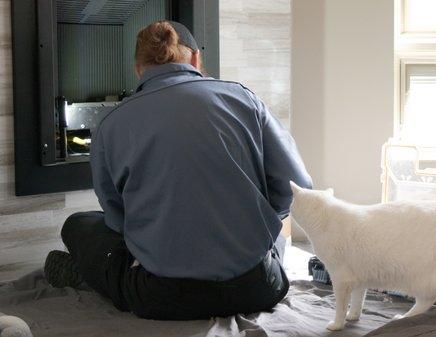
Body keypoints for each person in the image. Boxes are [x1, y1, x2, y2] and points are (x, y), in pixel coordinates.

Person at [43, 20, 312, 320]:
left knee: (78, 224)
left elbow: (118, 220)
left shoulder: (111, 125)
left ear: (137, 69)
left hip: (162, 297)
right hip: (259, 287)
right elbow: (297, 188)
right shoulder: (244, 99)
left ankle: (90, 275)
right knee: (274, 239)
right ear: (196, 58)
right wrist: (254, 223)